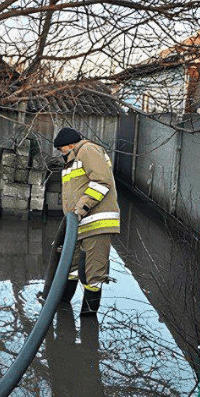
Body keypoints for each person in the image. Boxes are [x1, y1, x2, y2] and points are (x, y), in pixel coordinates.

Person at [41, 127, 120, 316]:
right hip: (79, 224)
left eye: (62, 150)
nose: (62, 155)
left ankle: (89, 321)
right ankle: (61, 309)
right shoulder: (73, 160)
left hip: (96, 222)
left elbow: (102, 182)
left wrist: (80, 209)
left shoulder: (88, 150)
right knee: (70, 266)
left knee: (94, 274)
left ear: (69, 145)